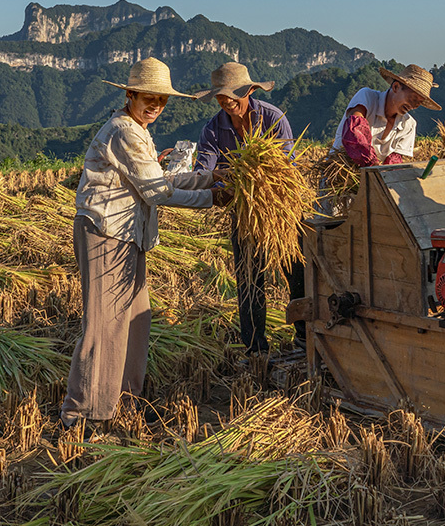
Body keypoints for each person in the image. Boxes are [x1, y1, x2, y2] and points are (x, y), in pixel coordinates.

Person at [61, 57, 225, 429]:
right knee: (104, 326)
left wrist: (212, 178)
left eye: (162, 100)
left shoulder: (138, 130)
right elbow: (158, 192)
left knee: (136, 319)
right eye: (148, 98)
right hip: (106, 235)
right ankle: (82, 415)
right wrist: (213, 198)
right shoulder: (125, 131)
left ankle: (124, 404)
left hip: (128, 237)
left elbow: (160, 179)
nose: (155, 106)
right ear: (131, 94)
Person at [194, 62, 305, 353]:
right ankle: (255, 348)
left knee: (296, 274)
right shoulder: (213, 130)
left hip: (281, 211)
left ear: (249, 90)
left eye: (233, 93)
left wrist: (256, 179)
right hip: (244, 213)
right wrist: (220, 185)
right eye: (220, 95)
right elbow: (203, 172)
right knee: (249, 280)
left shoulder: (272, 117)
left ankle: (306, 338)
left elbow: (285, 167)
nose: (226, 100)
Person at [329, 64, 441, 167]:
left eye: (419, 103)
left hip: (373, 182)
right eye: (413, 99)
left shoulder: (409, 125)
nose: (414, 106)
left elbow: (394, 163)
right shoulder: (367, 98)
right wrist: (374, 165)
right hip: (340, 174)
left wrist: (385, 176)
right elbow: (355, 133)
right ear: (396, 87)